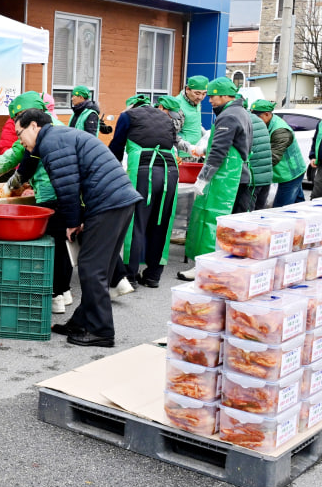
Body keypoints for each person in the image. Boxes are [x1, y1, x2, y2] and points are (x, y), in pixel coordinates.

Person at [14, 109, 141, 347]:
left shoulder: (52, 143)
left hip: (109, 202)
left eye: (20, 133)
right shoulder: (57, 137)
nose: (20, 140)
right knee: (97, 267)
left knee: (92, 268)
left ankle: (101, 331)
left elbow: (67, 187)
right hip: (117, 200)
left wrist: (72, 221)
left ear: (33, 126)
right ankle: (82, 321)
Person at [0, 91, 82, 311]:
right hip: (66, 193)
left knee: (51, 243)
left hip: (51, 193)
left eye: (19, 129)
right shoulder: (57, 125)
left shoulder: (38, 133)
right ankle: (64, 292)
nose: (19, 135)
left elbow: (18, 158)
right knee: (60, 243)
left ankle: (55, 295)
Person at [181, 77, 253, 272]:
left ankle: (205, 268)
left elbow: (218, 152)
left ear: (224, 96)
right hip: (239, 176)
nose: (209, 100)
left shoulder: (228, 116)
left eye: (212, 96)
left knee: (213, 221)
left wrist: (202, 178)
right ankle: (225, 266)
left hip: (225, 178)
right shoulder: (242, 112)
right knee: (231, 225)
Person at [109, 95, 180, 288]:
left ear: (131, 105)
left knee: (137, 223)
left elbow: (116, 147)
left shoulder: (128, 116)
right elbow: (172, 144)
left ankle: (130, 276)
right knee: (161, 222)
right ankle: (153, 276)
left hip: (144, 172)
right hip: (170, 172)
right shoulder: (166, 118)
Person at [250, 100, 307, 207]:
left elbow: (273, 157)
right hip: (282, 172)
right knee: (298, 204)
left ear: (267, 114)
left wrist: (254, 170)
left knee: (281, 207)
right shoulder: (265, 124)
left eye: (257, 117)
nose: (254, 120)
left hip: (290, 173)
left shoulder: (280, 131)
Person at [246, 102, 274, 210]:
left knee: (248, 214)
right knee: (259, 213)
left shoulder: (246, 121)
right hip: (266, 177)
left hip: (254, 178)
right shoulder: (261, 123)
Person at [173, 75, 209, 148]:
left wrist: (206, 135)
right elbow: (171, 134)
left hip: (197, 151)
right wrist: (188, 148)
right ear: (187, 89)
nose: (200, 97)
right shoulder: (178, 106)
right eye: (197, 93)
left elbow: (193, 123)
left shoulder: (195, 102)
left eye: (204, 93)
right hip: (182, 155)